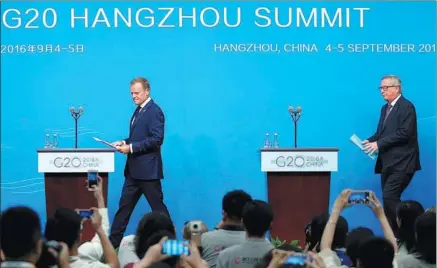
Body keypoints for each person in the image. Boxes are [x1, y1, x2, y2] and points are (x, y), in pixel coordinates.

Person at [109, 77, 171, 248]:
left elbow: (156, 139)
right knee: (123, 211)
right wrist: (124, 141)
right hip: (133, 171)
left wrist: (131, 148)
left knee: (159, 212)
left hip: (148, 172)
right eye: (131, 93)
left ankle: (173, 246)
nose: (133, 96)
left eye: (136, 93)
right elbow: (138, 137)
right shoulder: (139, 110)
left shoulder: (154, 111)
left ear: (147, 91)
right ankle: (110, 248)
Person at [362, 75, 421, 234]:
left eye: (385, 87)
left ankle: (409, 234)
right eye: (381, 88)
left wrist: (378, 144)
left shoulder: (407, 107)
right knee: (388, 201)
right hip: (387, 162)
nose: (382, 91)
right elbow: (381, 133)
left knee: (390, 197)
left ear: (397, 88)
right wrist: (369, 141)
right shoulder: (384, 108)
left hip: (403, 162)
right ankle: (394, 237)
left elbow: (404, 133)